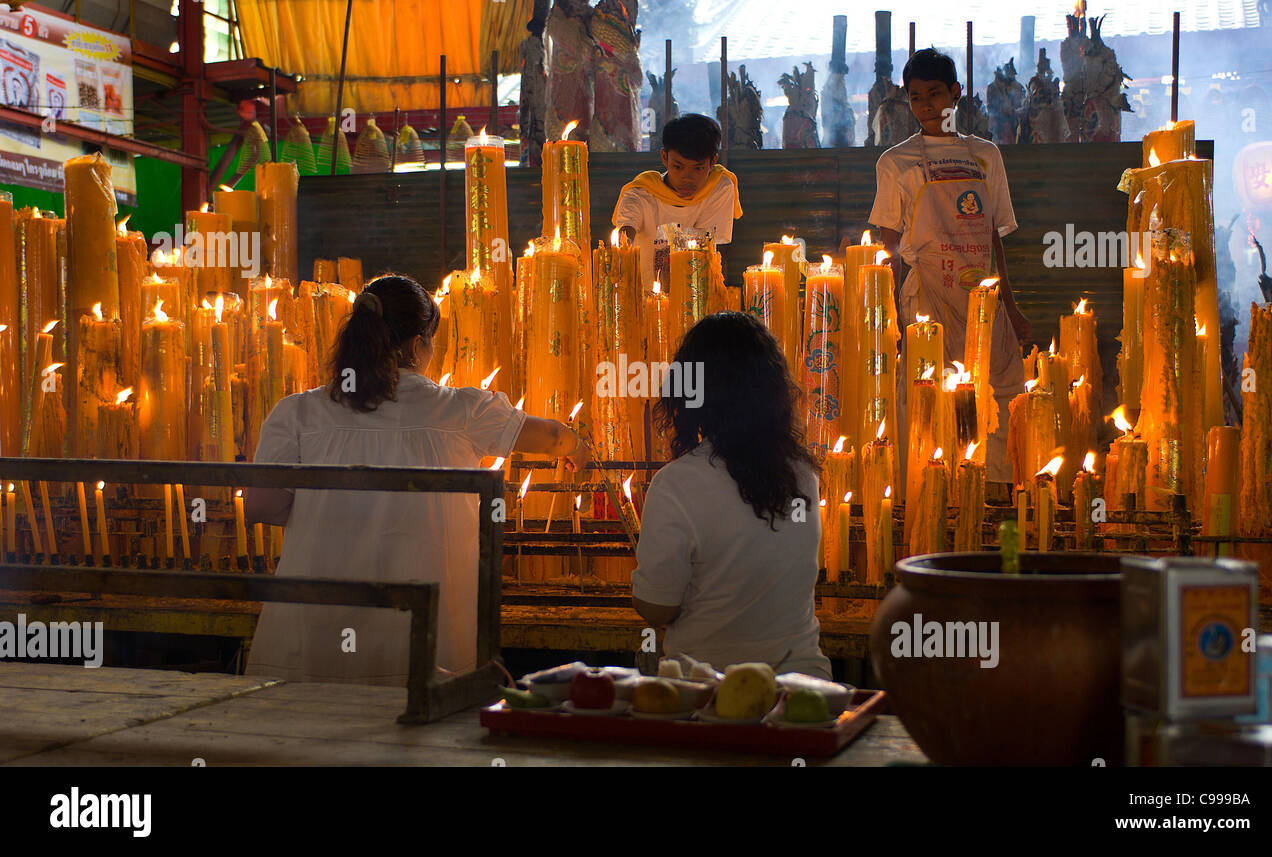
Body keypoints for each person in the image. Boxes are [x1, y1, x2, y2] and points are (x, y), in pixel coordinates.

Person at [244, 274, 588, 686]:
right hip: (422, 654)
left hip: (312, 644)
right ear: (415, 345)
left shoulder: (297, 413)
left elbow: (261, 505)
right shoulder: (462, 412)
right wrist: (576, 444)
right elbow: (549, 436)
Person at [631, 312, 833, 679]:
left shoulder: (676, 484)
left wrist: (641, 583)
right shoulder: (804, 475)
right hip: (802, 687)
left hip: (708, 692)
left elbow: (658, 607)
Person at [868, 48, 1031, 484]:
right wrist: (889, 321)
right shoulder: (895, 163)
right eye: (916, 96)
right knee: (928, 399)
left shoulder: (986, 155)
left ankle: (995, 495)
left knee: (998, 396)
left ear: (956, 93)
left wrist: (1011, 307)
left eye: (935, 94)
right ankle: (933, 493)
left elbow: (993, 236)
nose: (925, 105)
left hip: (984, 298)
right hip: (928, 299)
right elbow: (888, 243)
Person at [613, 113, 743, 289]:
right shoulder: (640, 193)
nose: (687, 178)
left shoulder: (719, 188)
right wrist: (620, 253)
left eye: (698, 168)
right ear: (664, 157)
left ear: (713, 161)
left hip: (694, 295)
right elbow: (625, 232)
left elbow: (711, 252)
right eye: (678, 167)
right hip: (644, 299)